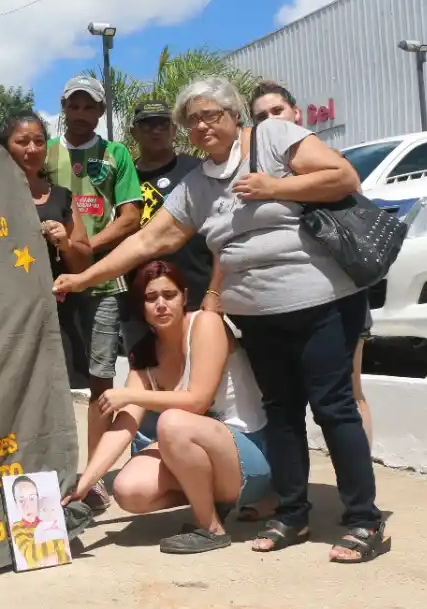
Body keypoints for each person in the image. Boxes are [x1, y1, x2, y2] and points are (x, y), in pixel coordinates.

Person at [55, 77, 389, 564]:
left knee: (333, 407)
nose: (202, 125)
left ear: (235, 115)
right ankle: (293, 514)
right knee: (282, 411)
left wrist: (275, 186)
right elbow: (147, 242)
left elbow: (343, 177)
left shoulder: (272, 140)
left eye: (212, 114)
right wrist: (84, 279)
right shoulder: (197, 185)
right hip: (256, 313)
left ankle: (363, 518)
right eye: (193, 119)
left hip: (318, 300)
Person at [67, 261, 271, 554]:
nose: (161, 304)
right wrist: (85, 484)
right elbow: (124, 427)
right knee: (129, 490)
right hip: (211, 458)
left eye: (169, 295)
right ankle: (212, 500)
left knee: (173, 422)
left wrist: (131, 396)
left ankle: (211, 527)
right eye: (151, 298)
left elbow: (198, 400)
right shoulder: (145, 357)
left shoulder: (206, 323)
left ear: (184, 296)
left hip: (252, 454)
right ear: (142, 306)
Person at [250, 81, 372, 450]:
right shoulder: (260, 165)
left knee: (347, 393)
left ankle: (358, 475)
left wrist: (275, 188)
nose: (270, 121)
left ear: (296, 113)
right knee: (285, 401)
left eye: (277, 112)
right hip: (286, 296)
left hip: (341, 288)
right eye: (260, 117)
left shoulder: (322, 156)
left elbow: (352, 193)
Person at [45, 74, 143, 511]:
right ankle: (50, 472)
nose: (82, 114)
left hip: (103, 283)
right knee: (50, 379)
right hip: (51, 285)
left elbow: (131, 217)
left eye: (90, 107)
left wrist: (86, 253)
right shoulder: (43, 153)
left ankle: (94, 477)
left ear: (101, 112)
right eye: (74, 105)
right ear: (63, 107)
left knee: (101, 379)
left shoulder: (116, 154)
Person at [0, 111, 92, 388]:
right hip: (8, 318)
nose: (32, 149)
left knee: (59, 395)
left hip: (57, 318)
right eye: (22, 141)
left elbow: (83, 265)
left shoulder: (61, 196)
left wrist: (66, 243)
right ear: (5, 147)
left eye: (39, 141)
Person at [126, 99, 221, 364]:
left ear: (173, 130)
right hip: (143, 304)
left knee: (204, 379)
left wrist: (214, 292)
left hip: (196, 295)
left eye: (162, 124)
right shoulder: (125, 176)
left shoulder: (198, 169)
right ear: (134, 132)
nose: (155, 130)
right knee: (151, 381)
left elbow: (221, 234)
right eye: (147, 124)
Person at [9, 476, 71, 569]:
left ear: (38, 499)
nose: (27, 505)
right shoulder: (17, 527)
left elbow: (64, 555)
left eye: (32, 498)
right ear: (15, 503)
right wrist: (60, 543)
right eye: (21, 500)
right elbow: (29, 553)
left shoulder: (49, 523)